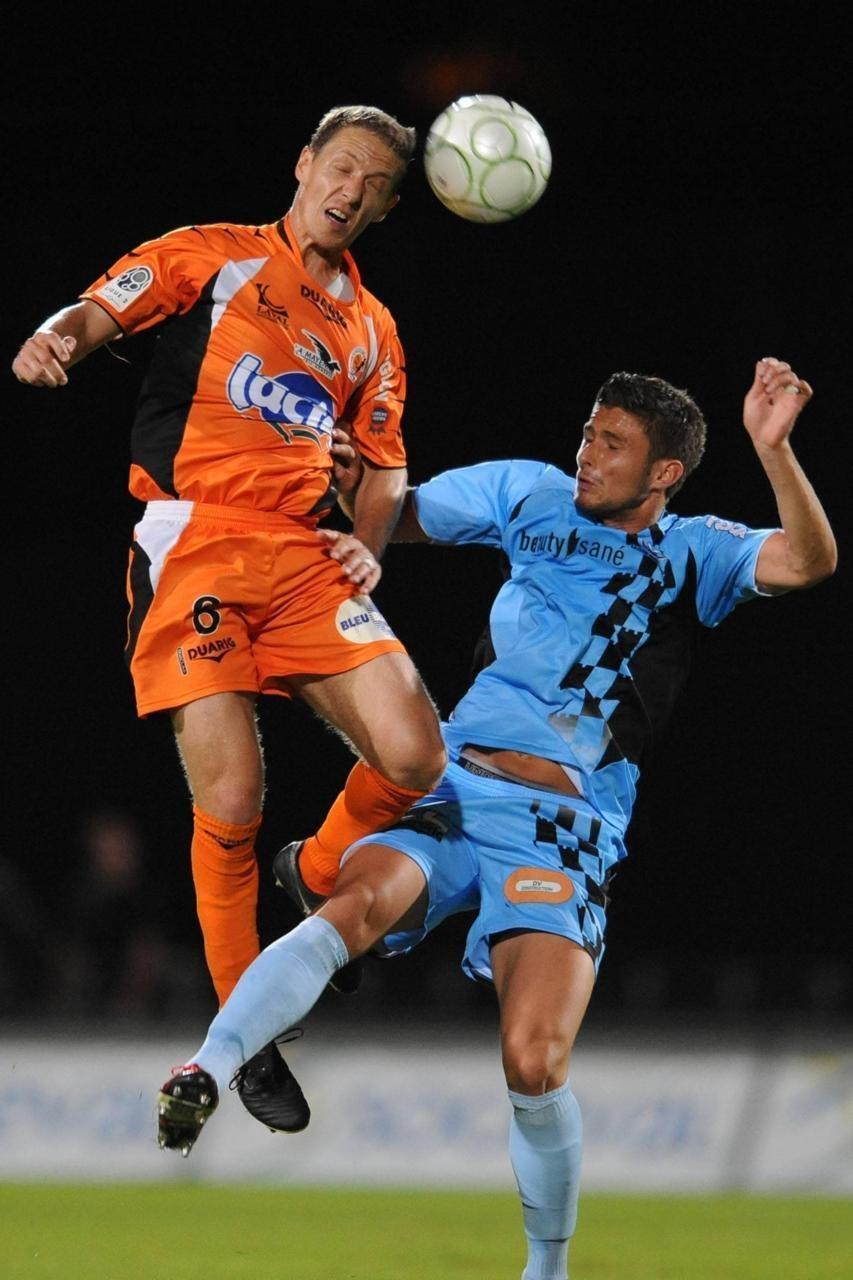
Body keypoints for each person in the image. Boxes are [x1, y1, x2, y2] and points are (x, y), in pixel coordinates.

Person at [158, 353, 835, 1280]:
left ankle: (545, 1270)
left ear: (663, 473)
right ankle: (205, 1063)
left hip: (562, 821)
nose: (585, 453)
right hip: (455, 786)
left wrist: (774, 449)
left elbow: (807, 560)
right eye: (588, 433)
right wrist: (349, 476)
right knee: (347, 911)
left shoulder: (691, 551)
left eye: (611, 443)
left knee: (534, 1059)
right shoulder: (528, 493)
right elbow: (391, 517)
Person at [11, 105, 447, 1131]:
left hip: (302, 556)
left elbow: (385, 469)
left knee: (418, 752)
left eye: (372, 183)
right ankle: (238, 1038)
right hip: (194, 540)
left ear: (383, 206)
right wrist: (52, 339)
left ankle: (321, 867)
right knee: (235, 794)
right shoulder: (212, 258)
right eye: (339, 166)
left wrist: (368, 541)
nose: (348, 188)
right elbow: (97, 309)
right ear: (303, 164)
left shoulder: (372, 330)